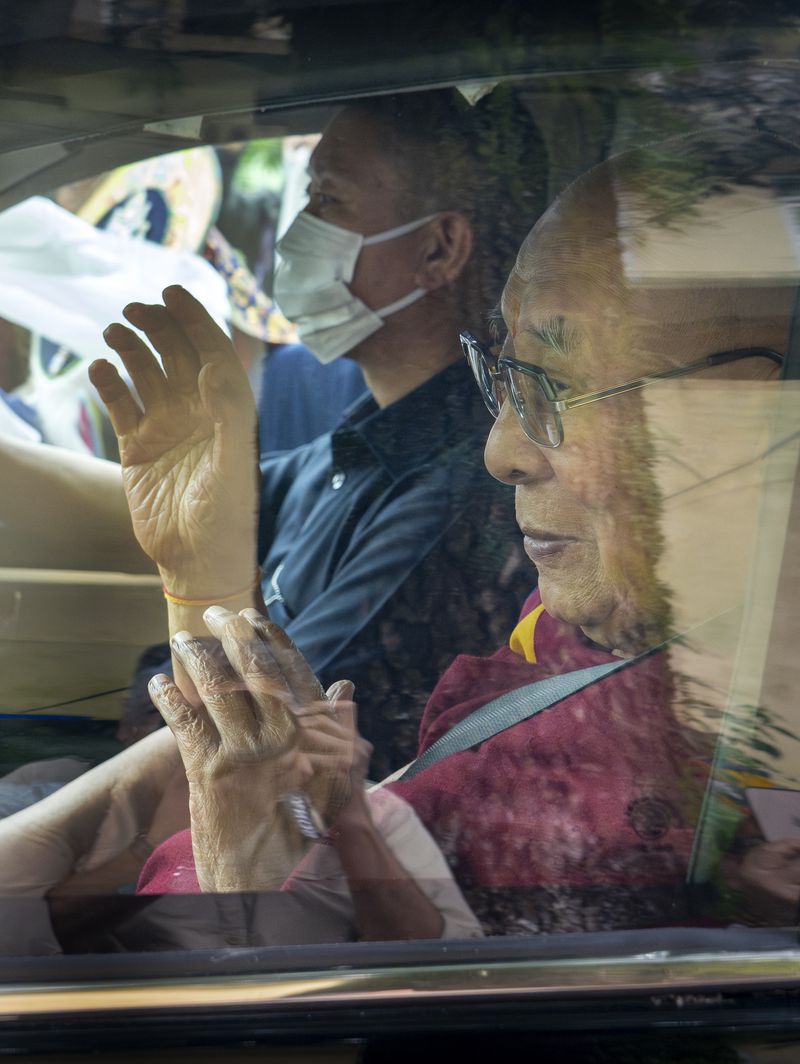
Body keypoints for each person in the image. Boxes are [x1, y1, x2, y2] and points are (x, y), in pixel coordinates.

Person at [134, 130, 800, 934]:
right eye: (507, 377)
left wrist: (253, 876)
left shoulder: (700, 767)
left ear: (763, 412)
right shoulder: (577, 638)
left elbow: (442, 1033)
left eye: (558, 385)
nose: (502, 452)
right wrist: (201, 574)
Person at [0, 88, 544, 776]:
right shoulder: (350, 453)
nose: (296, 234)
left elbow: (255, 733)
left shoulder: (454, 500)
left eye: (328, 201)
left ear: (439, 249)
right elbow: (197, 507)